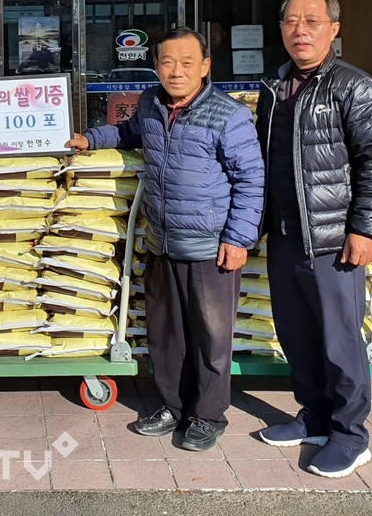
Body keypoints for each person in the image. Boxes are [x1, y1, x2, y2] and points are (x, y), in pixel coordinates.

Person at [67, 27, 264, 451]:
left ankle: (208, 416)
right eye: (168, 62)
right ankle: (172, 407)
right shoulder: (152, 104)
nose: (177, 71)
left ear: (206, 66)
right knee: (166, 332)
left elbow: (251, 180)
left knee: (211, 336)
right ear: (155, 65)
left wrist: (239, 238)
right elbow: (129, 133)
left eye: (187, 63)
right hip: (161, 239)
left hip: (210, 245)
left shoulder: (228, 115)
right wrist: (89, 139)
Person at [255, 0, 372, 478]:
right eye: (291, 22)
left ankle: (351, 435)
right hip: (287, 234)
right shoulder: (275, 89)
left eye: (312, 21)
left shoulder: (354, 87)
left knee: (340, 341)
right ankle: (313, 417)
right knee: (296, 335)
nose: (300, 30)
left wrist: (365, 229)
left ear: (334, 29)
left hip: (333, 239)